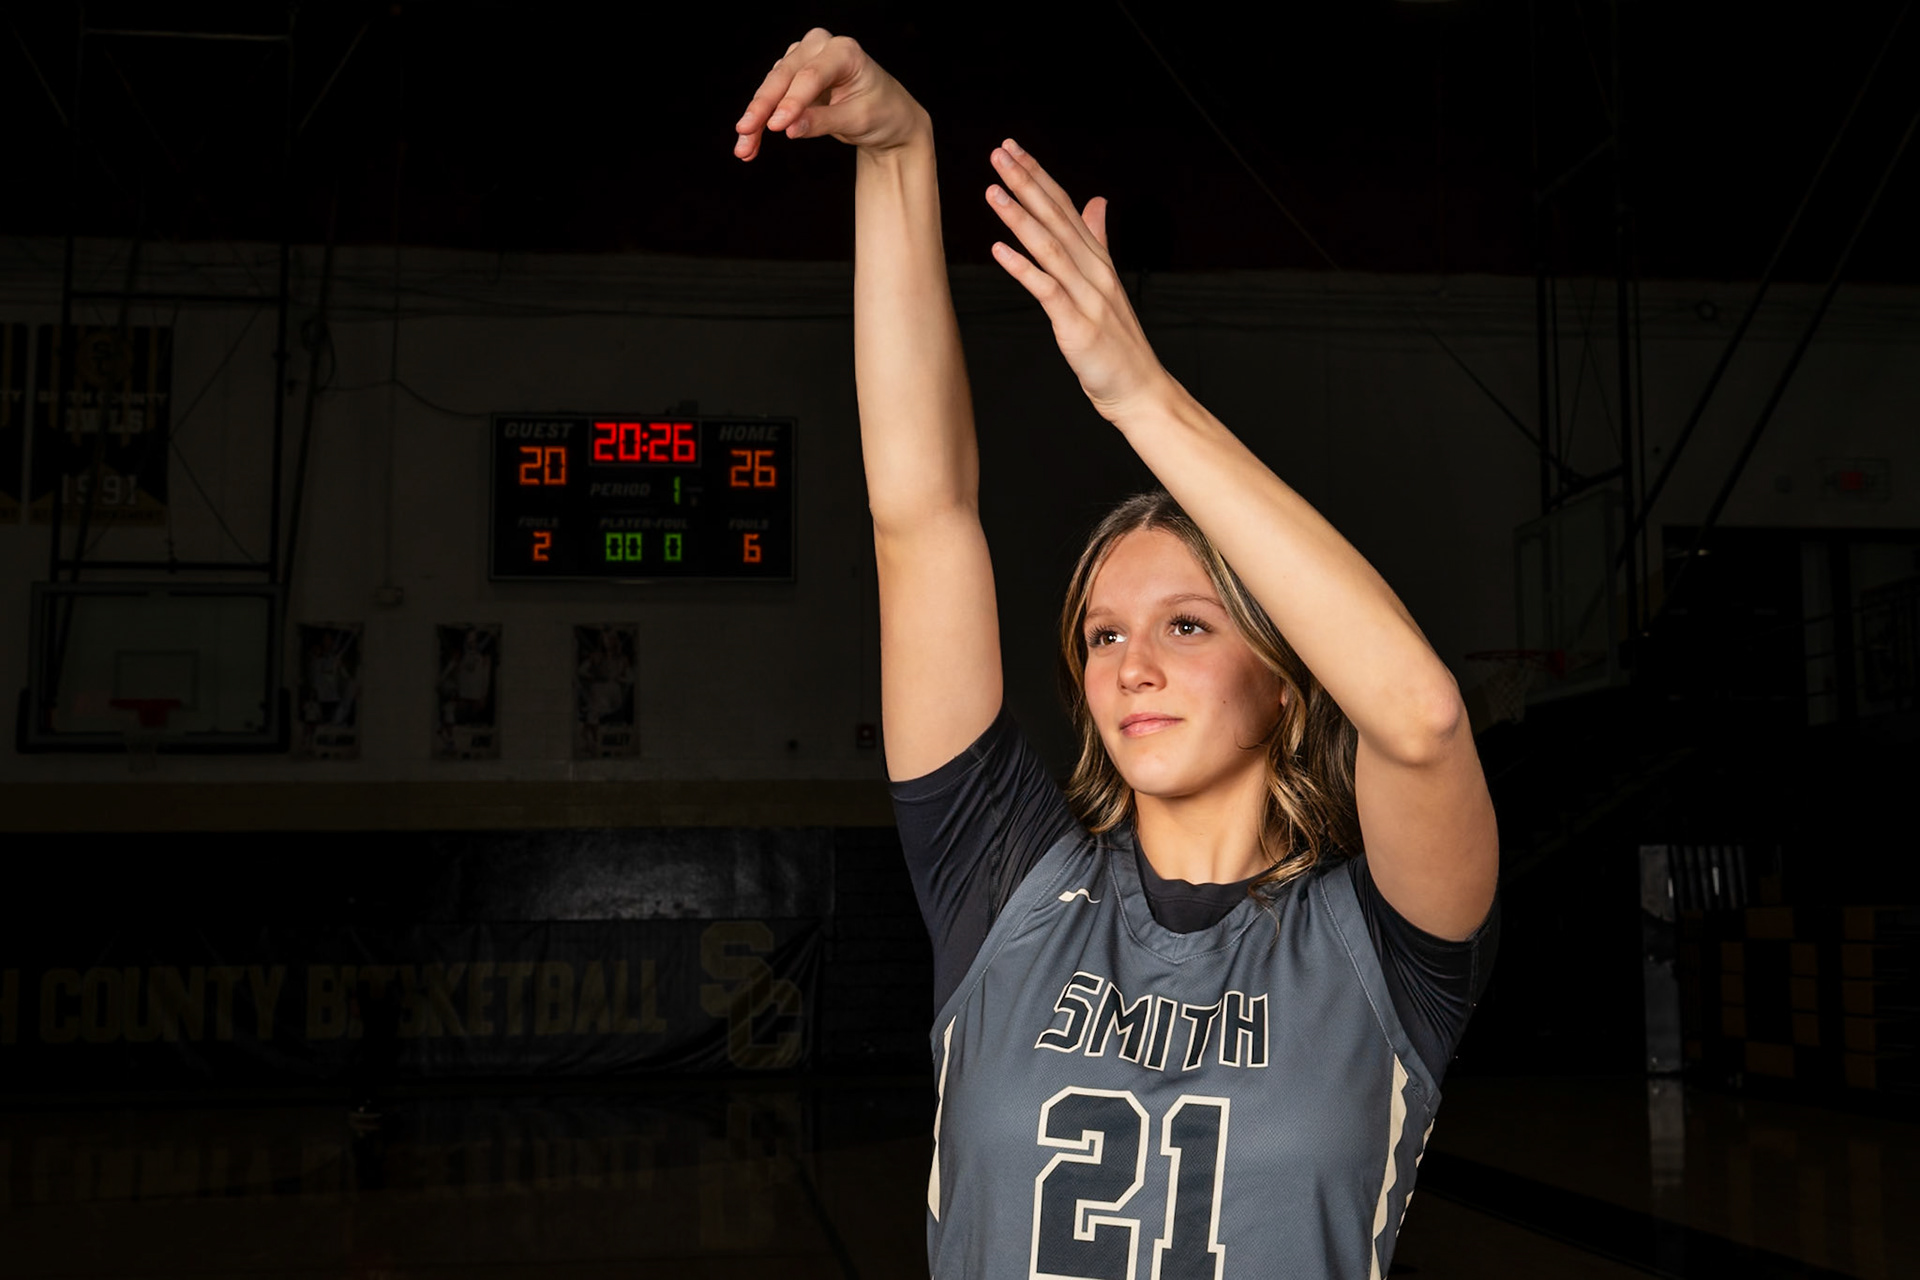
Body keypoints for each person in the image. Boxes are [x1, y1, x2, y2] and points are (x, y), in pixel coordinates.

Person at [735, 30, 1499, 1280]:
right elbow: (921, 519)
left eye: (1187, 623)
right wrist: (896, 155)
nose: (1131, 663)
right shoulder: (1002, 884)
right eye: (1103, 634)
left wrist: (1140, 396)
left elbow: (1419, 718)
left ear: (1284, 674)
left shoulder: (1383, 949)